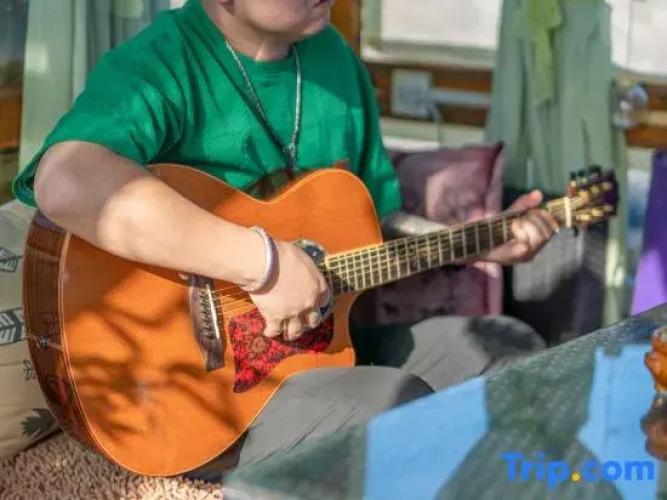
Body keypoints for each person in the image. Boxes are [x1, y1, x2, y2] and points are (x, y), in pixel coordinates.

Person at [12, 0, 555, 480]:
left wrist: (478, 242)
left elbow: (380, 220)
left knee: (508, 350)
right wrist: (263, 266)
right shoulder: (162, 61)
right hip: (208, 396)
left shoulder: (336, 61)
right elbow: (66, 180)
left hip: (324, 349)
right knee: (392, 409)